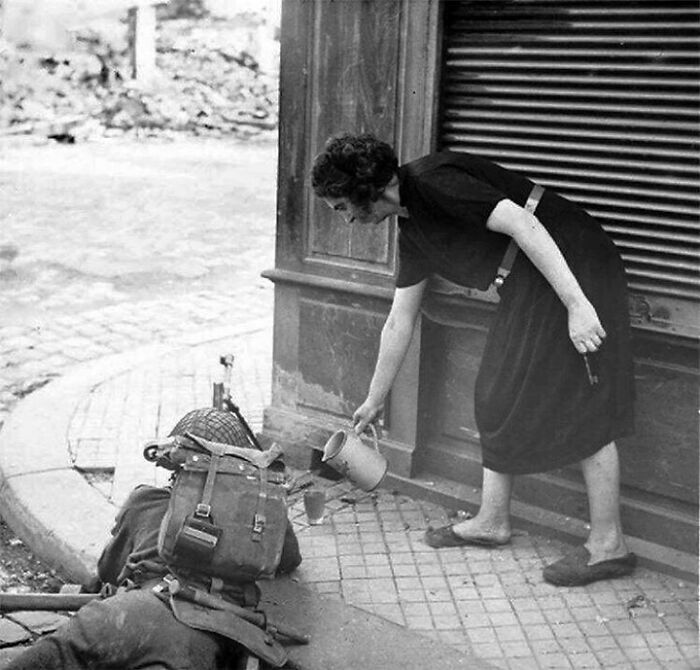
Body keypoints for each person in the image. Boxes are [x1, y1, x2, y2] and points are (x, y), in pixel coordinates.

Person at [311, 133, 636, 587]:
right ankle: (492, 521)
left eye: (341, 207)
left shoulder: (433, 181)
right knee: (493, 391)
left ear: (367, 191)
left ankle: (609, 545)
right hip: (529, 278)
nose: (344, 220)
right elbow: (399, 320)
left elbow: (525, 224)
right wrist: (373, 399)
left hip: (571, 258)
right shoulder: (413, 231)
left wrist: (577, 305)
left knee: (576, 399)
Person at [6, 408, 302, 670]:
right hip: (210, 637)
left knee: (51, 656)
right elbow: (290, 558)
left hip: (133, 613)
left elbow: (109, 570)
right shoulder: (254, 524)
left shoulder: (145, 500)